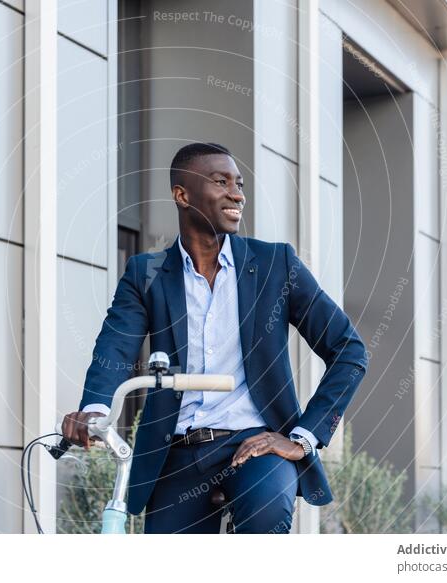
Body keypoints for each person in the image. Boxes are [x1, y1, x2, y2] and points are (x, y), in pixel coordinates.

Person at [61, 142, 368, 533]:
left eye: (238, 184)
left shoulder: (276, 264)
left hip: (254, 446)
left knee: (267, 510)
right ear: (182, 195)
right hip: (178, 452)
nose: (237, 193)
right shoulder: (146, 273)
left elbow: (349, 350)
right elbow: (115, 349)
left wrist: (302, 437)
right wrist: (95, 412)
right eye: (221, 182)